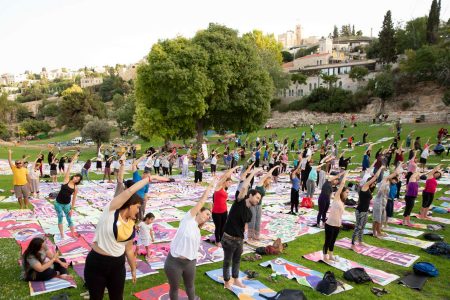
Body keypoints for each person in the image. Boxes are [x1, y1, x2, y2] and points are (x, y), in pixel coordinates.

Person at [84, 177, 150, 300]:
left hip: (117, 265)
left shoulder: (131, 224)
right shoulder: (110, 211)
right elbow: (129, 192)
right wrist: (149, 179)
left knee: (117, 297)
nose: (138, 211)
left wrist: (133, 268)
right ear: (130, 205)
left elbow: (129, 250)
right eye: (137, 207)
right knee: (96, 297)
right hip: (97, 263)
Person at [164, 180, 214, 300]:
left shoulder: (197, 229)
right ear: (199, 211)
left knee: (190, 286)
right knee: (174, 288)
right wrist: (210, 187)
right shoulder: (188, 220)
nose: (208, 217)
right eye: (207, 214)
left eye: (209, 217)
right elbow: (201, 201)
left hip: (190, 263)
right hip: (174, 262)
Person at [222, 168, 262, 289]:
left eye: (259, 199)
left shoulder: (249, 213)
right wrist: (253, 174)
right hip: (228, 238)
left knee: (237, 260)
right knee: (227, 261)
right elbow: (244, 186)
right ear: (250, 195)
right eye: (257, 197)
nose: (258, 200)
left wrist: (242, 238)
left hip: (239, 239)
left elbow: (243, 225)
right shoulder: (239, 201)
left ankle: (235, 279)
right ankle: (226, 282)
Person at [351, 167, 384, 250]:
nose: (374, 183)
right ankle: (352, 244)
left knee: (362, 227)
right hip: (360, 211)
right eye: (373, 182)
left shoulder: (369, 190)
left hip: (365, 211)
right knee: (358, 227)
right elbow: (375, 177)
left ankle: (360, 241)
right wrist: (381, 168)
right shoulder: (365, 186)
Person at [132, 155, 172, 220]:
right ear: (143, 174)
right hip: (134, 201)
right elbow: (134, 165)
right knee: (133, 216)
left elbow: (145, 194)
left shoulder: (147, 183)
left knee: (141, 216)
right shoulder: (136, 177)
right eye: (147, 177)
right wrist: (142, 157)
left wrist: (145, 203)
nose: (148, 179)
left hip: (141, 201)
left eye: (149, 177)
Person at [54, 153, 82, 239]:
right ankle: (62, 234)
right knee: (60, 218)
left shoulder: (75, 188)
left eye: (78, 179)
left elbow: (74, 199)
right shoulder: (66, 180)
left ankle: (73, 234)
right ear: (74, 176)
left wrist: (72, 209)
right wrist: (73, 159)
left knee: (69, 219)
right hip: (58, 203)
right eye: (76, 176)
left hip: (67, 205)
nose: (76, 178)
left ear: (78, 181)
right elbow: (69, 168)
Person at [323, 172, 349, 262]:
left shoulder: (342, 202)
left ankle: (330, 255)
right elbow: (342, 184)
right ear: (341, 192)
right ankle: (325, 256)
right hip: (330, 224)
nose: (347, 194)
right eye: (346, 192)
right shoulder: (336, 198)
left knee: (333, 241)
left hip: (337, 225)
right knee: (327, 241)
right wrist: (345, 175)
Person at [248, 166, 278, 241]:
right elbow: (267, 174)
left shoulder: (264, 187)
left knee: (258, 220)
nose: (270, 180)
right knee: (253, 220)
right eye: (269, 179)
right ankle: (250, 236)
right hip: (253, 205)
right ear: (266, 179)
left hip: (259, 205)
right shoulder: (260, 184)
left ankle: (256, 235)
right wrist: (274, 167)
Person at [212, 167, 238, 246]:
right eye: (229, 182)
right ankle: (217, 240)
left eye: (231, 182)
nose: (230, 184)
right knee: (218, 227)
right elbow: (225, 176)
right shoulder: (218, 187)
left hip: (224, 211)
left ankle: (222, 239)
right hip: (216, 212)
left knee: (224, 227)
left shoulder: (224, 189)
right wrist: (234, 168)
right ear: (225, 181)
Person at [372, 168, 401, 237]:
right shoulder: (384, 180)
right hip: (379, 202)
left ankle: (378, 231)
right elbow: (394, 174)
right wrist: (396, 171)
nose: (396, 181)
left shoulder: (388, 183)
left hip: (383, 202)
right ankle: (375, 233)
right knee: (377, 218)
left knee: (381, 218)